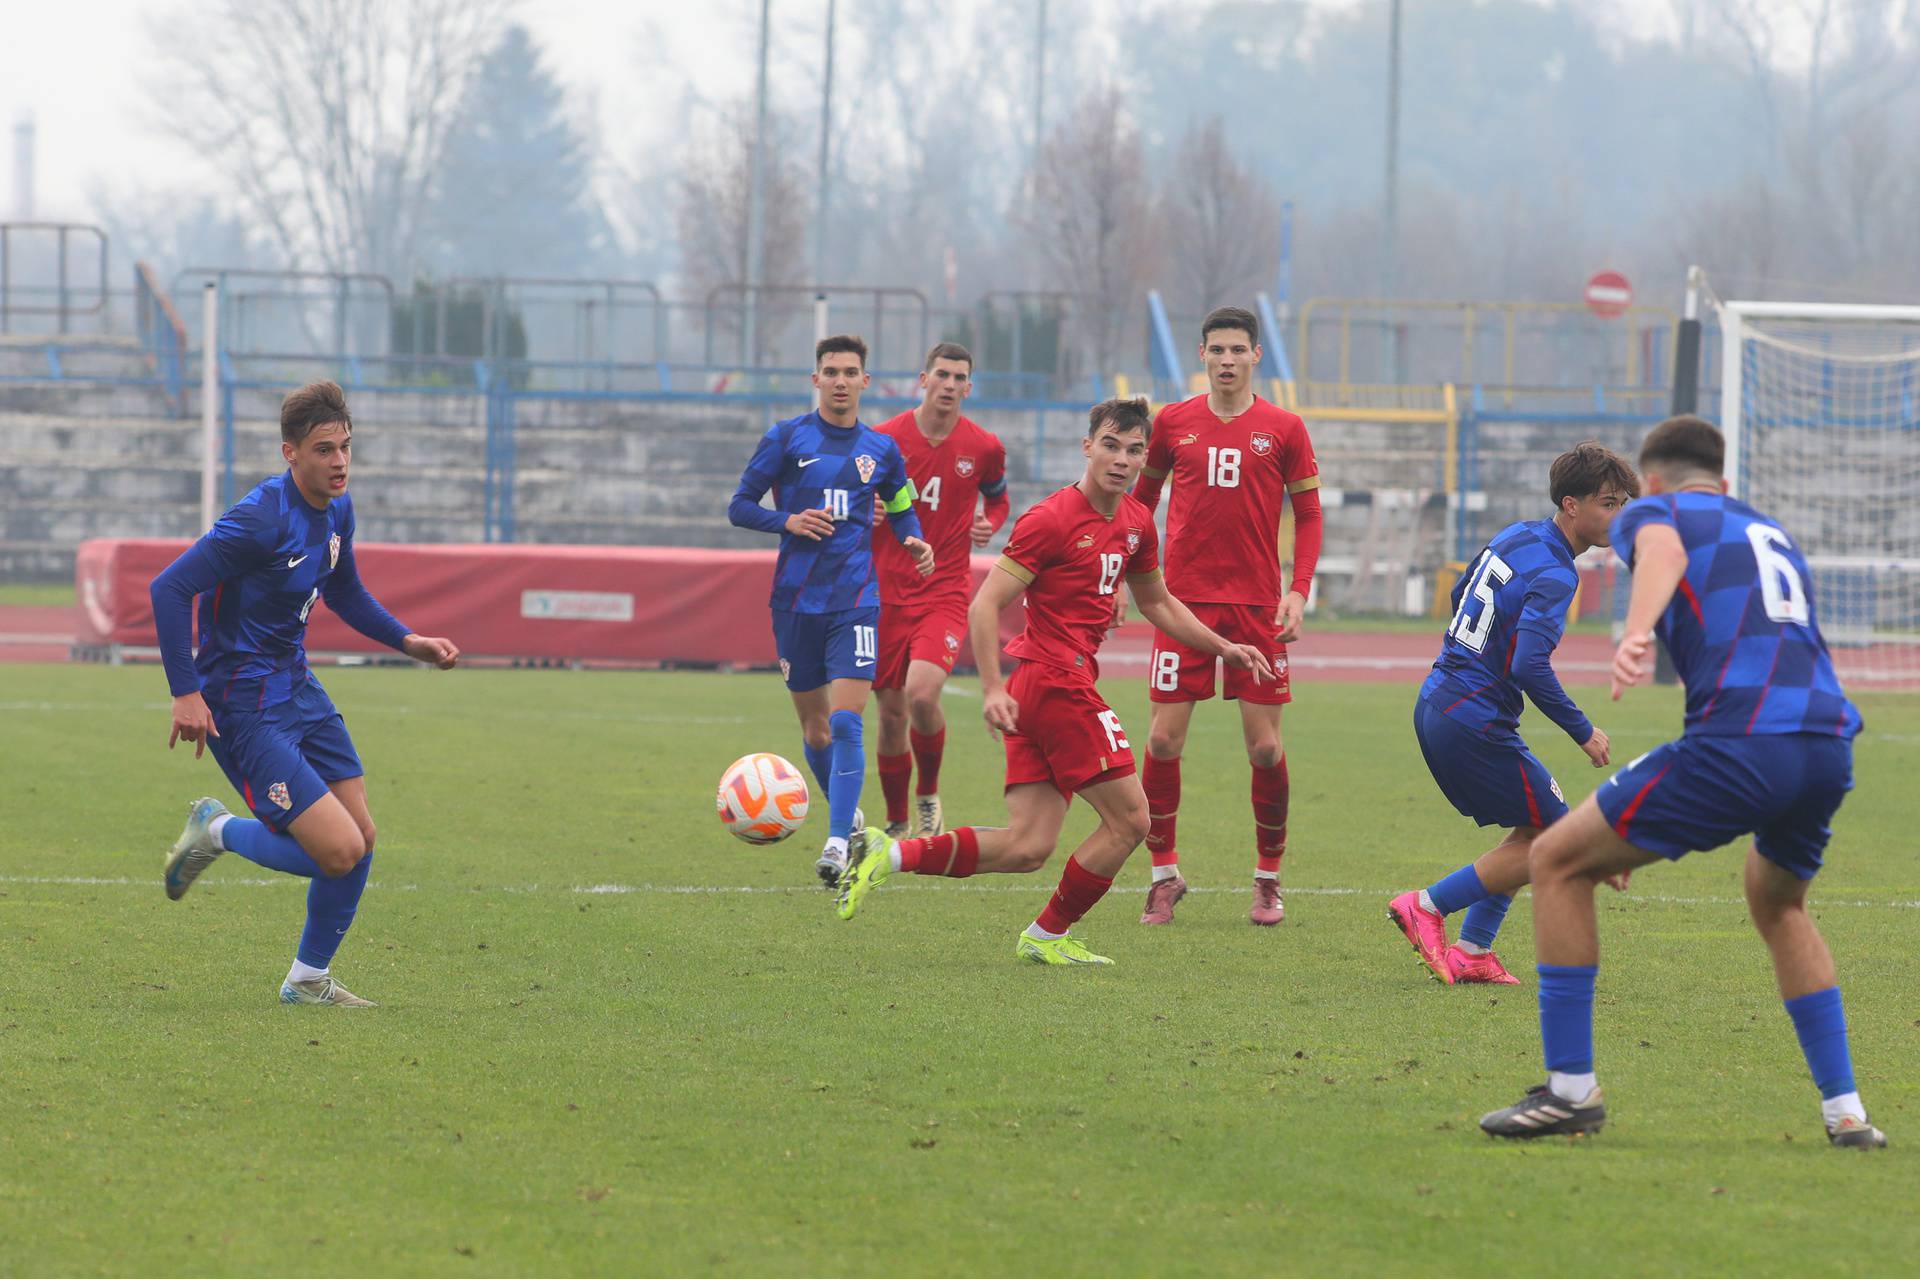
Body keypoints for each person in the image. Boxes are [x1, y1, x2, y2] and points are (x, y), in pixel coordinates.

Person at [1478, 415, 1884, 1148]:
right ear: (1724, 483)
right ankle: (1846, 1111)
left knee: (1555, 859)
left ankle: (1570, 1091)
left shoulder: (1657, 511)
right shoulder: (1768, 527)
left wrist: (1637, 630)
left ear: (1652, 481)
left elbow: (1661, 546)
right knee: (1778, 899)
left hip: (1741, 742)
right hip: (1827, 744)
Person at [834, 397, 1273, 965]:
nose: (1121, 459)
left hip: (1048, 686)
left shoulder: (1138, 522)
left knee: (1028, 845)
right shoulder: (1051, 519)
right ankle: (1047, 934)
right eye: (1110, 445)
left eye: (1134, 450)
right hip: (1053, 681)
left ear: (1145, 458)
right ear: (1087, 446)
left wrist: (1224, 649)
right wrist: (991, 687)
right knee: (1132, 820)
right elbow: (985, 604)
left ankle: (886, 855)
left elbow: (1157, 601)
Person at [152, 379, 461, 1007]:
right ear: (290, 452)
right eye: (324, 450)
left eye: (346, 446)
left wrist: (408, 641)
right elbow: (168, 588)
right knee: (339, 851)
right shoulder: (259, 520)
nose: (340, 461)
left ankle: (307, 979)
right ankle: (217, 830)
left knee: (363, 837)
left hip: (298, 686)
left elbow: (344, 591)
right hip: (242, 704)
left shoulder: (339, 509)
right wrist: (186, 693)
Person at [1387, 443, 1638, 985]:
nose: (1619, 516)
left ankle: (1473, 951)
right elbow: (1530, 665)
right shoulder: (1557, 574)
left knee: (1538, 828)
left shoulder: (1517, 534)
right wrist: (1583, 730)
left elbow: (1461, 593)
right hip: (1471, 718)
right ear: (1572, 505)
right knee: (1555, 842)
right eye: (1609, 504)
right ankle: (1426, 906)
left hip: (1440, 701)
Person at [1130, 306, 1322, 926]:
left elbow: (1310, 516)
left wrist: (1298, 590)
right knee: (1161, 739)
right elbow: (1141, 505)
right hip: (1179, 602)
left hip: (1256, 608)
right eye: (1217, 350)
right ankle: (1164, 876)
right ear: (1202, 355)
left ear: (1256, 355)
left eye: (1238, 350)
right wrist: (1120, 579)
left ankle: (1268, 880)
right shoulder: (1173, 423)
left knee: (1265, 749)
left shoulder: (1285, 428)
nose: (1227, 360)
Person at [728, 334, 935, 887]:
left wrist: (913, 538)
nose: (840, 380)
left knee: (846, 721)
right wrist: (787, 521)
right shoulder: (786, 438)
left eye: (850, 372)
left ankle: (838, 842)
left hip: (855, 600)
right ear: (815, 379)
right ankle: (851, 818)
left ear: (866, 381)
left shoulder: (882, 451)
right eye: (830, 371)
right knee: (816, 730)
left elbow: (900, 505)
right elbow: (739, 507)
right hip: (795, 603)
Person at [871, 342, 1010, 840]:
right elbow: (856, 499)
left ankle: (928, 793)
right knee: (889, 717)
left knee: (922, 695)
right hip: (884, 592)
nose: (950, 385)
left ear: (969, 388)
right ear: (923, 380)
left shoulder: (984, 447)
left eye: (960, 379)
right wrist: (870, 510)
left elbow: (998, 499)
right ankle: (896, 820)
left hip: (945, 591)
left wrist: (989, 523)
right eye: (943, 375)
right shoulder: (885, 440)